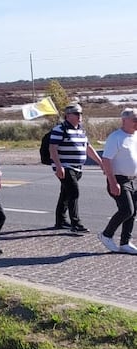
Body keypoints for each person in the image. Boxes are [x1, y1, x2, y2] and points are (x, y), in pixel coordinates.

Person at [49, 103, 103, 232]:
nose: (80, 116)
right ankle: (76, 224)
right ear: (68, 116)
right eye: (76, 114)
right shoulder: (59, 129)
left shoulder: (81, 129)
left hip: (78, 168)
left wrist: (101, 163)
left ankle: (60, 221)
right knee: (74, 192)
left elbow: (88, 148)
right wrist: (58, 166)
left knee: (65, 194)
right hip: (65, 167)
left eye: (81, 114)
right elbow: (53, 149)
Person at [97, 108, 137, 255]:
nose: (136, 122)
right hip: (119, 179)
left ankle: (125, 242)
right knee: (127, 210)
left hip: (133, 179)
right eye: (134, 119)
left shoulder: (135, 136)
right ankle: (106, 235)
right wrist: (112, 182)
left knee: (133, 213)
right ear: (124, 120)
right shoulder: (116, 137)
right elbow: (106, 160)